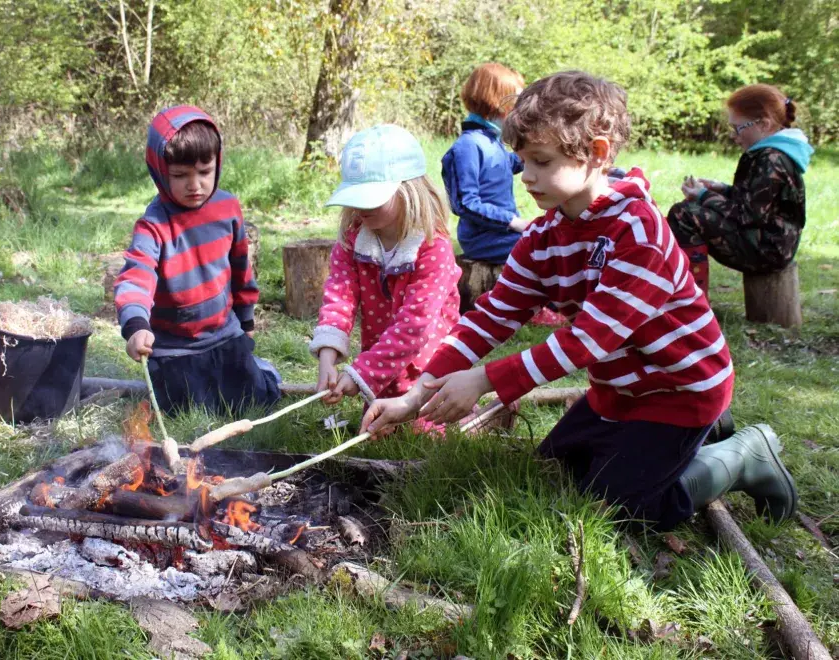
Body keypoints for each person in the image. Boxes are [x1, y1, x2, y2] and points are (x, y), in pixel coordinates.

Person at [361, 72, 797, 530]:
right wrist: (415, 395)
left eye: (542, 161)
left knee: (622, 508)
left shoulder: (637, 231)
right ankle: (690, 439)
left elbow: (589, 340)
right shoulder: (543, 235)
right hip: (619, 390)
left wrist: (485, 379)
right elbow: (492, 316)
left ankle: (744, 453)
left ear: (598, 153)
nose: (526, 177)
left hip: (679, 388)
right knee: (555, 472)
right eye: (523, 161)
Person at [114, 105, 281, 415]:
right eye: (180, 175)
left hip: (224, 335)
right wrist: (136, 326)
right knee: (186, 408)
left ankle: (260, 369)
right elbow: (136, 277)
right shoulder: (154, 225)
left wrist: (246, 321)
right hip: (174, 347)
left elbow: (242, 271)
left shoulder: (227, 208)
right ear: (160, 172)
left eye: (204, 172)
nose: (195, 185)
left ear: (217, 164)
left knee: (256, 398)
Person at [309, 124, 462, 411]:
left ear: (408, 190)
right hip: (380, 367)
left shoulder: (432, 248)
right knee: (377, 432)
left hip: (428, 372)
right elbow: (339, 298)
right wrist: (327, 356)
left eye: (371, 197)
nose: (360, 208)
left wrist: (361, 374)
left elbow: (415, 325)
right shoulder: (352, 240)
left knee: (428, 434)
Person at [442, 63, 567, 327]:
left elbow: (506, 166)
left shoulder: (492, 143)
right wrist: (511, 221)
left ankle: (566, 303)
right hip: (483, 237)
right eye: (515, 103)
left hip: (505, 232)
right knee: (538, 248)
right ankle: (534, 308)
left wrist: (542, 152)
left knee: (556, 238)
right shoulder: (468, 146)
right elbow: (465, 203)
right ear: (496, 102)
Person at [669, 84, 814, 296]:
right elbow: (758, 202)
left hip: (769, 250)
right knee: (686, 210)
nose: (735, 136)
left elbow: (747, 215)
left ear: (763, 124)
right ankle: (689, 295)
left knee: (684, 215)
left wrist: (703, 195)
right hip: (769, 241)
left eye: (737, 128)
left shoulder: (771, 159)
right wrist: (721, 190)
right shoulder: (772, 153)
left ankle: (691, 300)